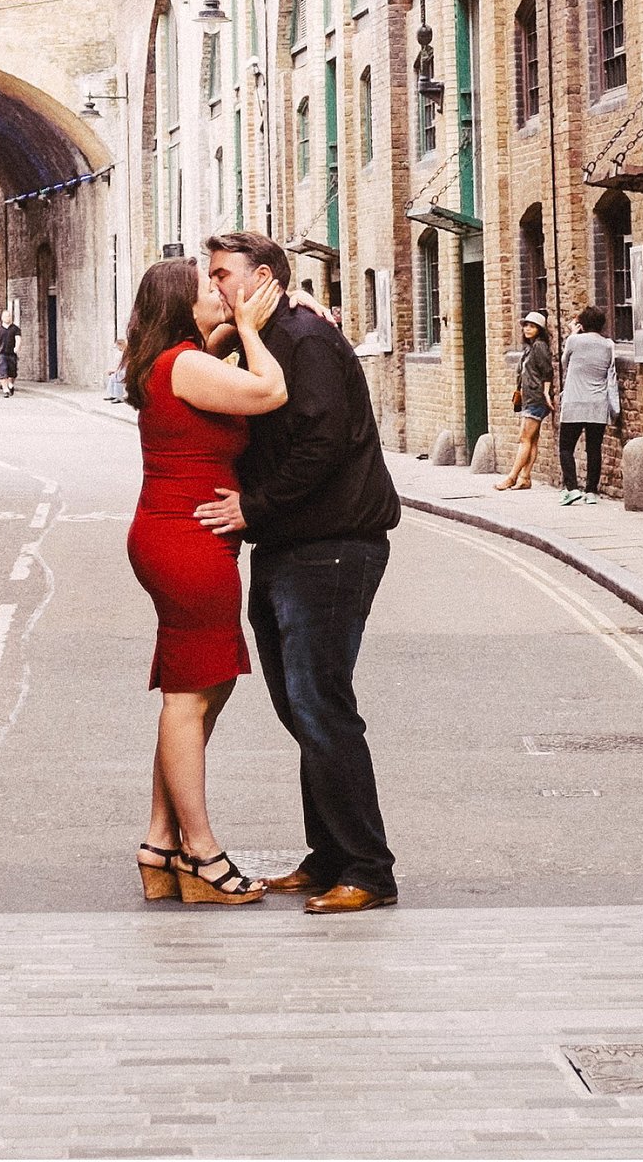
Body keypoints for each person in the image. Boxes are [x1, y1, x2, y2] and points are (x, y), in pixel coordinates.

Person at [194, 230, 403, 916]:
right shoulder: (261, 341)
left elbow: (321, 441)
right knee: (299, 707)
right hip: (289, 547)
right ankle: (330, 855)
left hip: (333, 547)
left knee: (322, 705)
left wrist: (252, 506)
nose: (215, 284)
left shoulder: (306, 341)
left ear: (262, 279)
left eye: (223, 273)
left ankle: (369, 869)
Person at [122, 258, 289, 906]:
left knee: (199, 693)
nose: (219, 293)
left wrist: (234, 331)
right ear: (180, 307)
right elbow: (269, 391)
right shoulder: (184, 367)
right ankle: (201, 853)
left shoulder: (175, 360)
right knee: (187, 702)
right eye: (207, 289)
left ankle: (160, 842)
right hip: (184, 543)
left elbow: (209, 362)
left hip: (180, 539)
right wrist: (249, 329)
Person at [557, 305, 619, 504]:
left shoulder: (574, 341)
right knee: (594, 449)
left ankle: (572, 489)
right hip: (597, 404)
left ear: (582, 324)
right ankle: (591, 491)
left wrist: (573, 334)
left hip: (574, 401)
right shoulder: (609, 344)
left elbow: (565, 362)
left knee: (566, 447)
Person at [496, 312, 554, 490]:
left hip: (536, 399)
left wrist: (546, 392)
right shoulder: (530, 348)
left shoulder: (539, 347)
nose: (527, 328)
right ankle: (525, 478)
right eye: (526, 325)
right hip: (530, 398)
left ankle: (512, 477)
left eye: (532, 326)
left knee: (524, 439)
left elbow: (547, 371)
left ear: (540, 330)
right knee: (532, 440)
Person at [0, 312, 21, 398]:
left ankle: (11, 385)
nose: (7, 318)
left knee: (12, 373)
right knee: (2, 372)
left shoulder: (15, 329)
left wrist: (16, 347)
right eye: (5, 316)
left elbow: (18, 339)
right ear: (2, 318)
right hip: (1, 353)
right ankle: (5, 390)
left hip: (12, 354)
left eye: (9, 316)